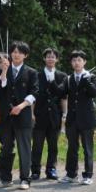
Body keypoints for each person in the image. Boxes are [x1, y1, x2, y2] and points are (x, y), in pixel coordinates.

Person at [0, 41, 39, 190]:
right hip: (6, 116)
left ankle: (25, 179)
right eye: (14, 51)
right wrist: (4, 72)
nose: (16, 54)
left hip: (23, 115)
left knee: (24, 148)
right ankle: (5, 178)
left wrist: (22, 106)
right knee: (6, 148)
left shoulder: (31, 72)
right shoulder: (2, 71)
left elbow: (35, 92)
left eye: (19, 52)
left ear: (25, 55)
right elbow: (0, 89)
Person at [52, 50, 96, 185]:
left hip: (87, 118)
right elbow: (60, 92)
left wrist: (87, 82)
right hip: (72, 119)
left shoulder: (91, 77)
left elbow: (94, 93)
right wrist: (51, 82)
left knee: (87, 148)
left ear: (84, 62)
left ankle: (88, 175)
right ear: (71, 63)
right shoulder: (68, 78)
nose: (76, 62)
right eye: (74, 60)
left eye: (79, 60)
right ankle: (71, 174)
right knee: (72, 147)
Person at [30, 48, 67, 180]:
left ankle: (51, 169)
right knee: (37, 146)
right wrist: (32, 113)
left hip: (55, 116)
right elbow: (32, 96)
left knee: (53, 146)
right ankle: (35, 170)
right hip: (39, 115)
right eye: (48, 56)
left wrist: (65, 114)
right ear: (44, 59)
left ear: (57, 59)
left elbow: (63, 97)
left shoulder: (62, 76)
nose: (51, 59)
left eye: (53, 57)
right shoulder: (36, 75)